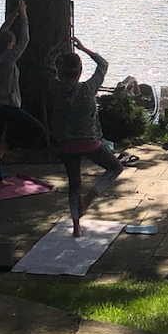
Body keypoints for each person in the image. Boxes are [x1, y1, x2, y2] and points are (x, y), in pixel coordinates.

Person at [45, 36, 123, 237]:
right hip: (91, 144)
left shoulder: (55, 87)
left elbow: (47, 62)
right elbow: (103, 64)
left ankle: (76, 227)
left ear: (60, 73)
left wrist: (59, 45)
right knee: (115, 167)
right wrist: (84, 49)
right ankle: (89, 198)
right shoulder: (88, 89)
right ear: (80, 73)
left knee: (74, 184)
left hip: (66, 145)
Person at [0, 0, 45, 187]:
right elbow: (25, 39)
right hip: (7, 106)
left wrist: (12, 17)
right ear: (9, 45)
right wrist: (24, 17)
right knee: (38, 129)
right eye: (11, 43)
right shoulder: (9, 58)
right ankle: (10, 143)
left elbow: (0, 35)